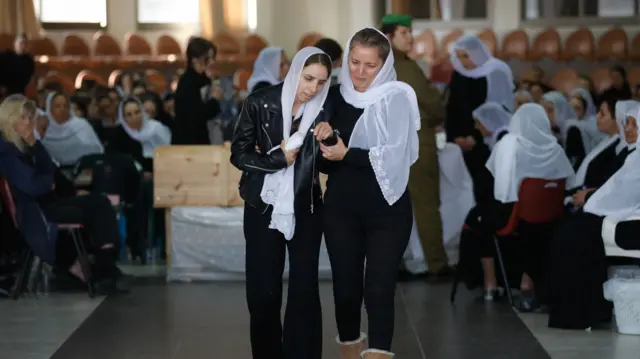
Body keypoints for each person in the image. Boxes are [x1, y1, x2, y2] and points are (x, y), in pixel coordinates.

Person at [320, 27, 419, 359]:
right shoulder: (333, 96)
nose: (359, 72)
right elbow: (325, 163)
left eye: (369, 65)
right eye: (354, 62)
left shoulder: (397, 98)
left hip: (387, 210)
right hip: (340, 209)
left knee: (379, 288)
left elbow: (395, 156)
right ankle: (349, 350)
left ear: (385, 64)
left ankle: (378, 353)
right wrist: (323, 145)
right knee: (346, 290)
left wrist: (346, 153)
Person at [230, 47, 334, 359]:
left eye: (321, 82)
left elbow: (330, 166)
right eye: (308, 78)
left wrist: (329, 140)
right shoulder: (261, 101)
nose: (313, 88)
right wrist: (276, 158)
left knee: (304, 292)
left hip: (307, 207)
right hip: (262, 205)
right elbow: (238, 154)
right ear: (295, 72)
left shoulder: (326, 109)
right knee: (263, 293)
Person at [0, 95, 128, 294]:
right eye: (23, 117)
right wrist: (47, 182)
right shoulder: (7, 151)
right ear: (9, 119)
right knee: (95, 207)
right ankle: (104, 267)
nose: (28, 122)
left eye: (30, 117)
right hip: (37, 212)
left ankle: (105, 262)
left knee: (99, 202)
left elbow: (49, 171)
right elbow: (34, 185)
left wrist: (36, 145)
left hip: (48, 202)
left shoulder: (25, 146)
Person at [458, 104, 574, 309]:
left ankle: (490, 284)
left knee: (479, 218)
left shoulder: (510, 143)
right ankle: (525, 280)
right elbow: (567, 183)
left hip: (514, 215)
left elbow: (500, 188)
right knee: (501, 220)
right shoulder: (555, 147)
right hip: (547, 218)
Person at [548, 106, 640, 330]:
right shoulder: (632, 153)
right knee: (571, 232)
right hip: (622, 214)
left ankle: (579, 313)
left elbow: (624, 194)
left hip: (629, 220)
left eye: (632, 124)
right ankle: (587, 310)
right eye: (626, 123)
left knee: (575, 234)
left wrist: (591, 200)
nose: (626, 128)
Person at [380, 13, 450, 280]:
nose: (410, 38)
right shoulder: (405, 66)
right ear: (389, 36)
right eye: (404, 33)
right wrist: (438, 113)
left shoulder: (378, 66)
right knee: (426, 205)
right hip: (417, 141)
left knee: (392, 206)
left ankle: (392, 263)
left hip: (389, 142)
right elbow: (431, 100)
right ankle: (437, 263)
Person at [445, 35, 514, 207]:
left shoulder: (496, 72)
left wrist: (475, 137)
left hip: (487, 140)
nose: (463, 61)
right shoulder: (459, 74)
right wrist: (455, 137)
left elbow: (500, 110)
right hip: (460, 139)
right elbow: (452, 108)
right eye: (459, 56)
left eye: (466, 56)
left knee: (484, 185)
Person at [172, 37, 221, 145]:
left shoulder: (206, 80)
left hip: (204, 138)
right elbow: (196, 116)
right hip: (188, 142)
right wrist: (214, 99)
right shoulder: (187, 83)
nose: (212, 62)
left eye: (213, 58)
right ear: (194, 59)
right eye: (207, 58)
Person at [41, 91, 104, 166]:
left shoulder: (81, 125)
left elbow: (95, 149)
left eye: (65, 106)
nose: (62, 109)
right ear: (49, 109)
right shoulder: (44, 129)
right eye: (57, 106)